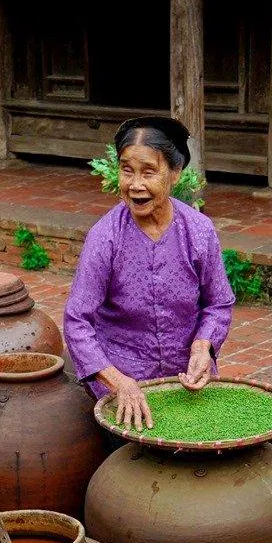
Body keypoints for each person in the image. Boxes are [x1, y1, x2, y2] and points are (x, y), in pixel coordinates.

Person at [62, 116, 235, 429]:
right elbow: (77, 321)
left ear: (175, 173)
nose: (135, 185)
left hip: (186, 383)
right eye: (127, 170)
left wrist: (203, 346)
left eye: (149, 172)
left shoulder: (199, 231)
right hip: (124, 385)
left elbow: (218, 303)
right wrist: (117, 381)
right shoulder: (106, 236)